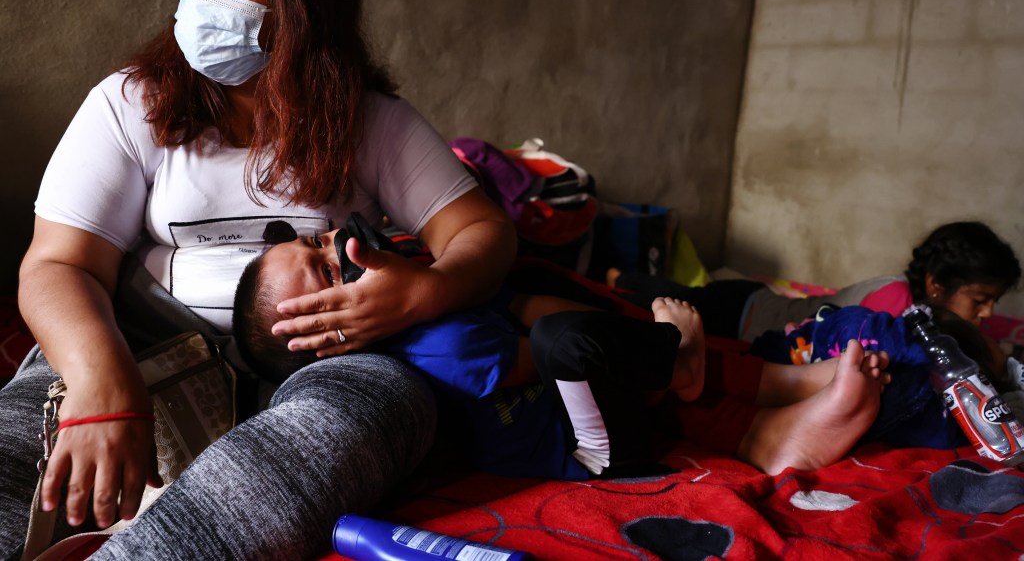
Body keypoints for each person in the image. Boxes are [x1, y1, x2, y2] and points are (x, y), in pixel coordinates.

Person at [3, 0, 516, 559]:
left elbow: (484, 231)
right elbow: (56, 266)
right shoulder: (130, 103)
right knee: (11, 449)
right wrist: (103, 383)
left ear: (299, 15)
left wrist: (429, 290)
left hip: (317, 364)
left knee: (384, 411)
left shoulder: (368, 119)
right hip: (133, 343)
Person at [233, 229, 893, 479]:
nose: (337, 245)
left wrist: (620, 331)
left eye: (315, 241)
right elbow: (550, 348)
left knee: (554, 303)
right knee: (571, 344)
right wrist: (651, 346)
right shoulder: (438, 348)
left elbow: (528, 305)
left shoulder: (421, 294)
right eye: (327, 272)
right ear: (330, 346)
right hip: (589, 453)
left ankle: (778, 384)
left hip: (583, 398)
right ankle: (748, 420)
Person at [609, 221, 1022, 339]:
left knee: (679, 294)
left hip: (756, 304)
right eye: (980, 299)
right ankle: (619, 276)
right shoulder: (897, 301)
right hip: (747, 313)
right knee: (671, 298)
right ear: (936, 285)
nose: (987, 313)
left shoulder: (928, 318)